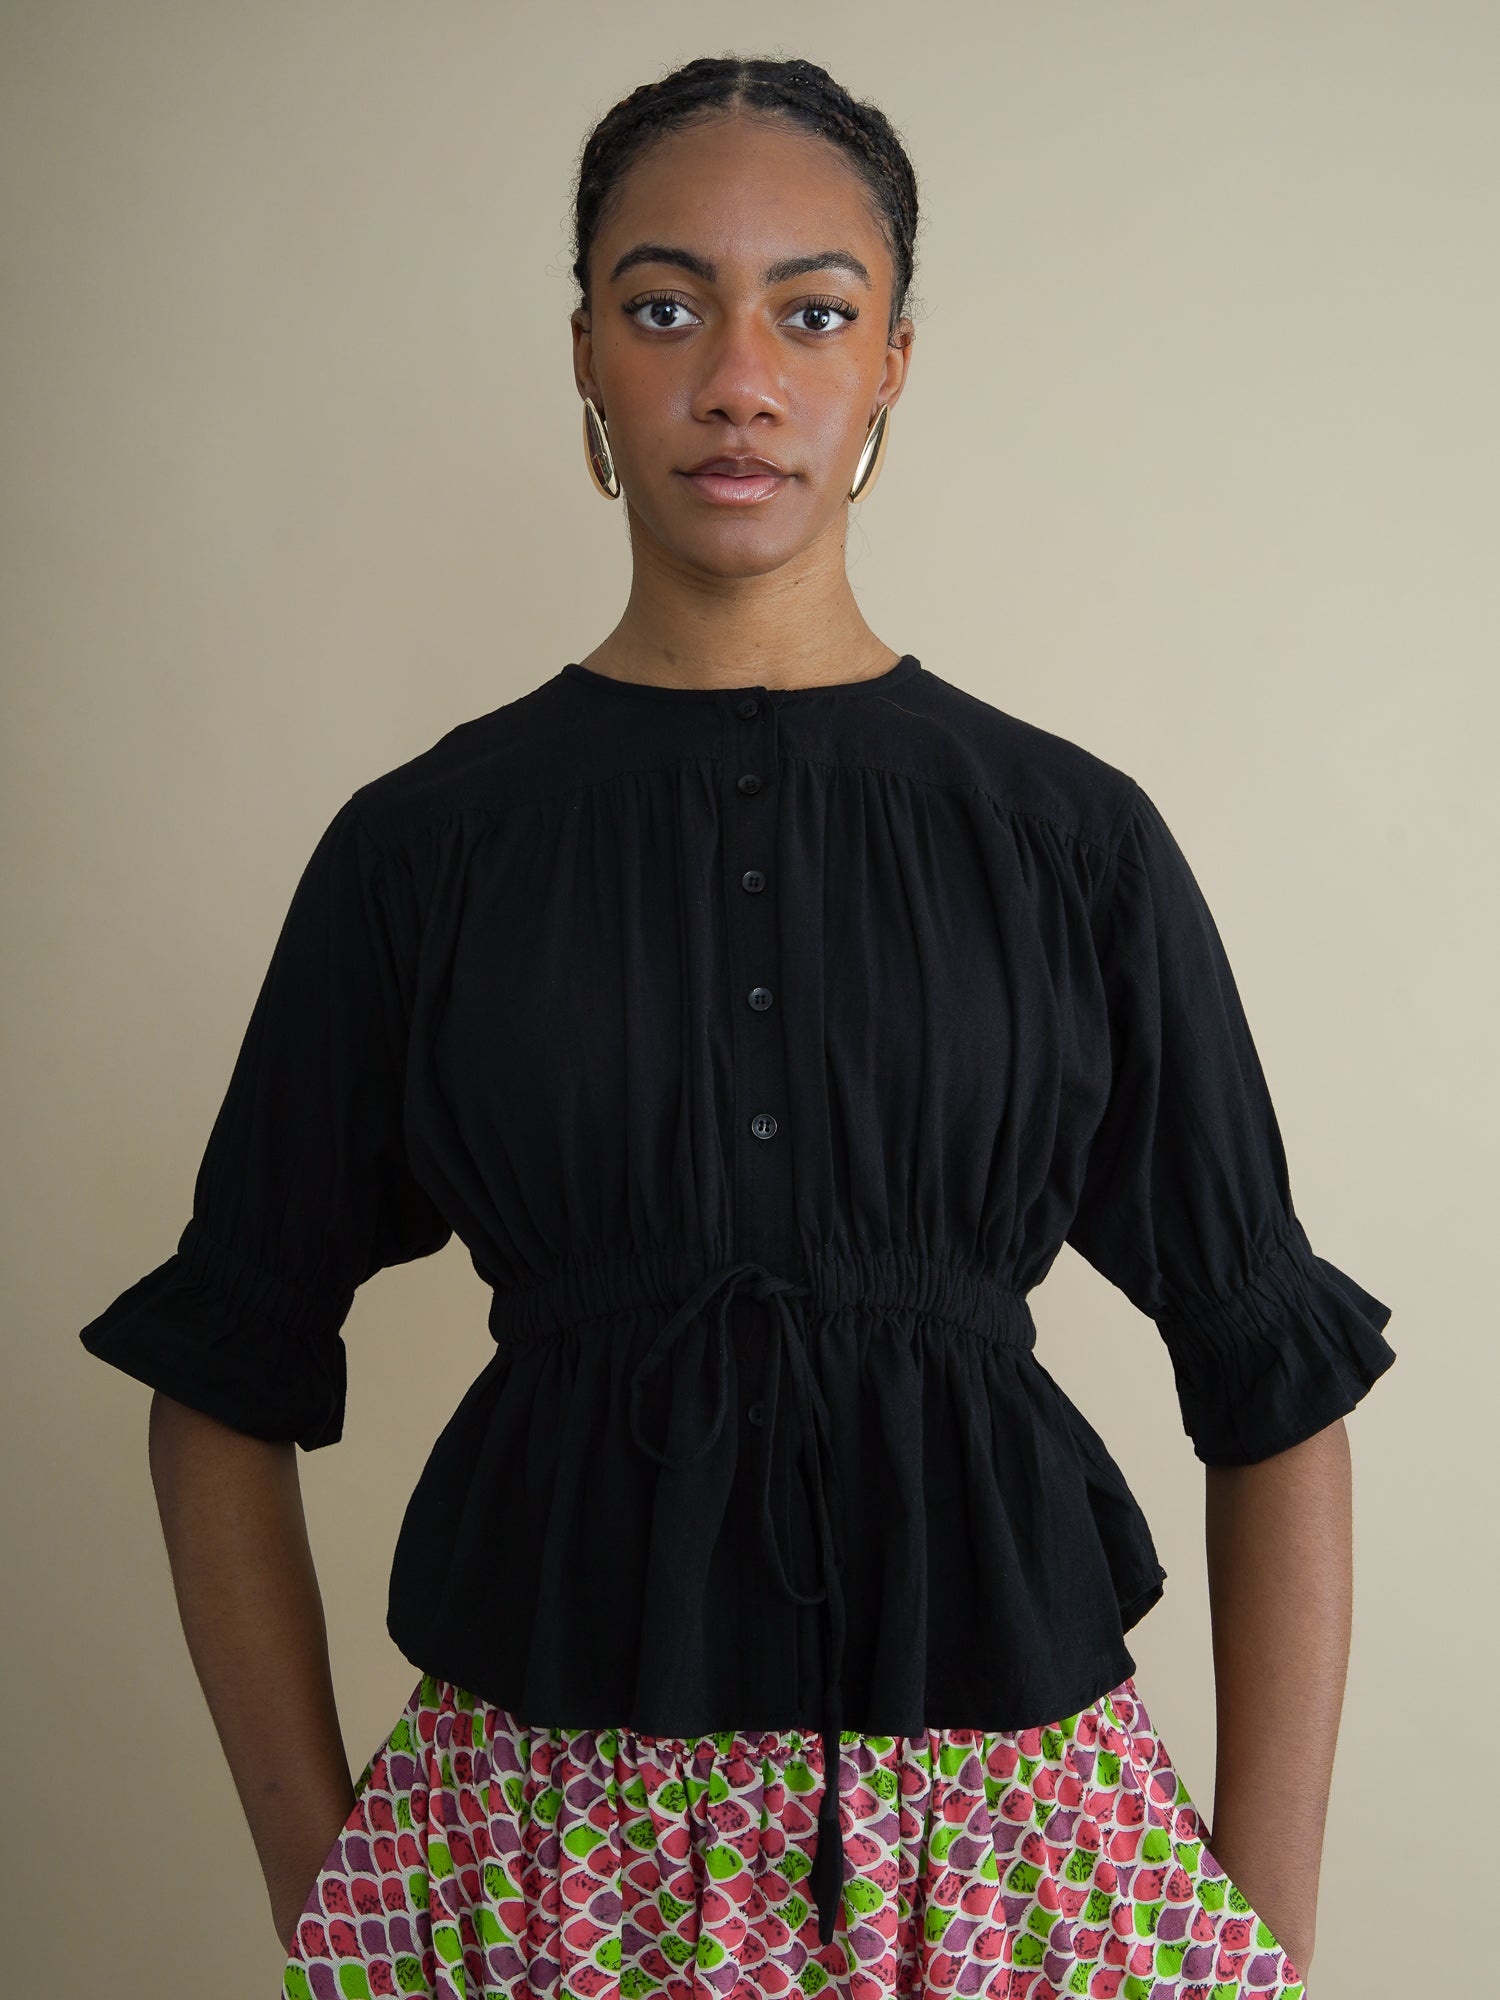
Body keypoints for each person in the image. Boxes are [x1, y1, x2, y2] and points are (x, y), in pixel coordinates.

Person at [78, 53, 1396, 2000]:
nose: (741, 380)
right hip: (541, 1864)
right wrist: (323, 1887)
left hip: (1015, 1865)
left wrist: (1259, 1935)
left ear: (894, 365)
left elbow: (1272, 1370)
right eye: (666, 305)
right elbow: (222, 1368)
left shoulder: (1072, 843)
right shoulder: (423, 851)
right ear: (587, 358)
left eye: (815, 312)